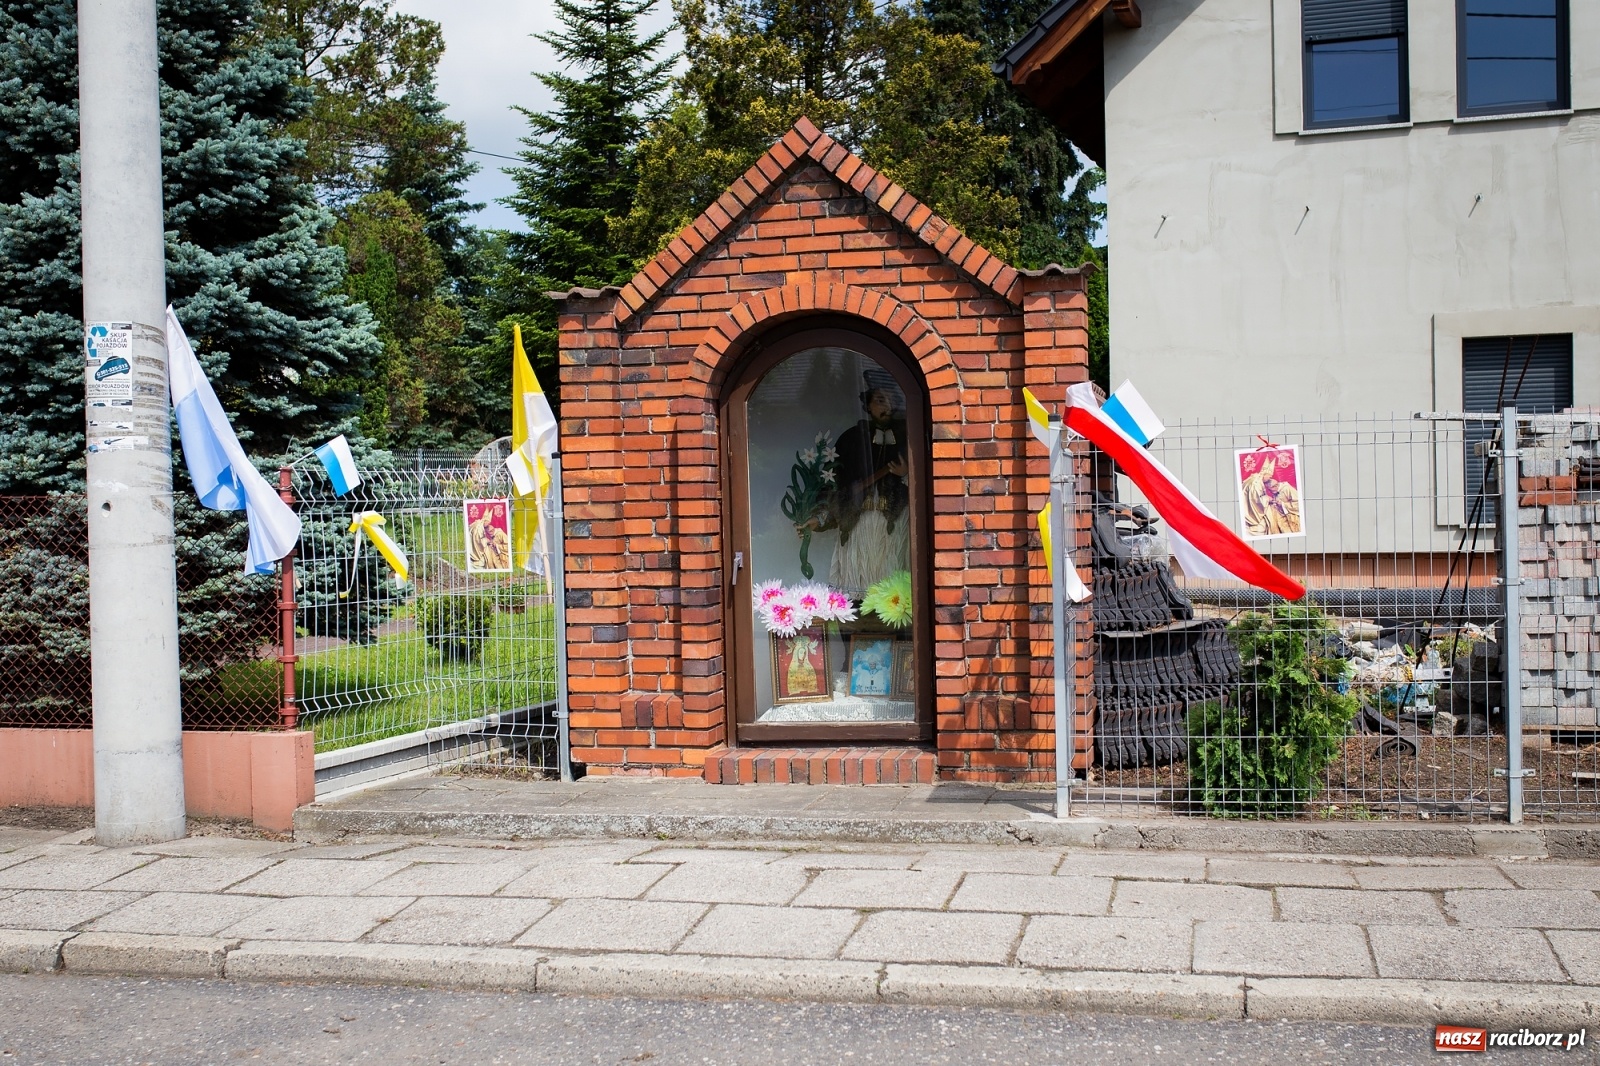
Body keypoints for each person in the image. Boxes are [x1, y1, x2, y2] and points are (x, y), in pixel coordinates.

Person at [824, 383, 910, 594]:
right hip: (859, 520)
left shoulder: (907, 436)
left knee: (890, 570)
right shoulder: (852, 438)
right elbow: (836, 480)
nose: (887, 406)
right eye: (880, 400)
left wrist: (906, 474)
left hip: (894, 519)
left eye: (892, 400)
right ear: (868, 406)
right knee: (858, 572)